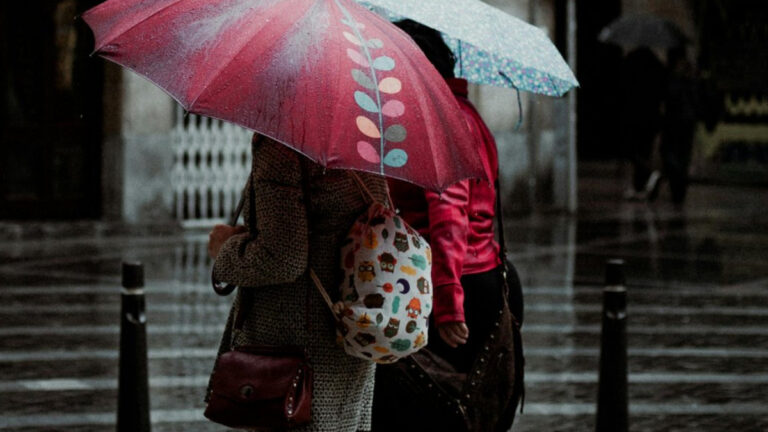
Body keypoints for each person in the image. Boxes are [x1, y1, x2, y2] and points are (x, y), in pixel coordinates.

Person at [372, 20, 523, 432]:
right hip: (481, 273)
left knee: (437, 405)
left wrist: (447, 300)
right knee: (466, 401)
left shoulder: (439, 119)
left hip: (455, 281)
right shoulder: (467, 113)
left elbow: (449, 211)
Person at [207, 134, 389, 432]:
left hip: (296, 354)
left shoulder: (283, 145)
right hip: (349, 330)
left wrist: (226, 249)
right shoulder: (364, 133)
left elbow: (283, 257)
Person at [619, 47, 665, 201]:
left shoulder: (630, 66)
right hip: (651, 117)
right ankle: (641, 185)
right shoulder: (658, 68)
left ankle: (646, 178)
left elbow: (624, 92)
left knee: (633, 151)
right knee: (644, 150)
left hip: (634, 116)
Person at [661, 46, 698, 205]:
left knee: (678, 157)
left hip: (681, 123)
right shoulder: (674, 80)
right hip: (677, 123)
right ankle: (678, 186)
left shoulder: (682, 81)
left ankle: (678, 188)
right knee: (675, 156)